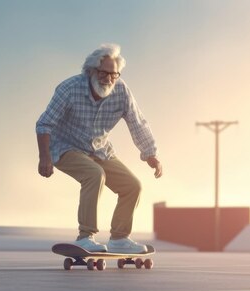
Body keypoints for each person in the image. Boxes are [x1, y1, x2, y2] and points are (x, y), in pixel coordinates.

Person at [35, 43, 162, 254]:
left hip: (100, 149)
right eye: (104, 73)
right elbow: (44, 124)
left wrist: (151, 155)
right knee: (95, 174)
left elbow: (137, 122)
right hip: (66, 147)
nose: (109, 79)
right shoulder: (69, 89)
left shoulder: (121, 90)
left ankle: (119, 238)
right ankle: (85, 237)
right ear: (91, 71)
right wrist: (44, 157)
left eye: (114, 75)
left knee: (132, 185)